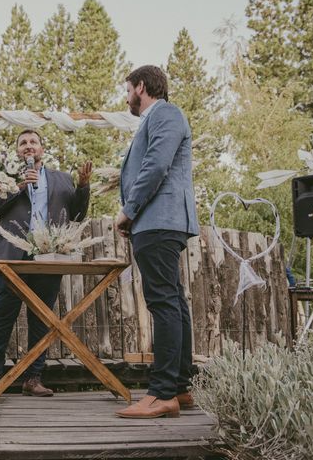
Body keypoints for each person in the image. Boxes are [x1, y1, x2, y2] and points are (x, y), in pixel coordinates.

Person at [0, 129, 92, 397]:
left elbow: (76, 214)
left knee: (41, 320)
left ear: (42, 148)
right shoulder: (5, 178)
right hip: (12, 258)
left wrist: (83, 186)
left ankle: (33, 378)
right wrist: (18, 186)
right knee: (1, 318)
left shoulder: (62, 180)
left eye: (33, 142)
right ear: (18, 151)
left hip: (48, 257)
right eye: (23, 143)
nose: (28, 146)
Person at [114, 65, 199, 419]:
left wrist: (128, 211)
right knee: (174, 302)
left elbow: (155, 165)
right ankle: (179, 388)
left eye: (128, 89)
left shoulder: (164, 113)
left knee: (163, 302)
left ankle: (162, 393)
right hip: (161, 222)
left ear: (142, 86)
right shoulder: (162, 117)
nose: (127, 96)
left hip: (158, 220)